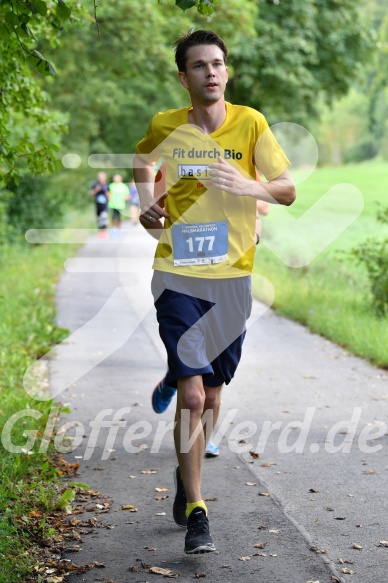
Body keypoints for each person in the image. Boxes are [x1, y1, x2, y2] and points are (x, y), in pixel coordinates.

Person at [134, 29, 295, 555]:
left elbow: (286, 189)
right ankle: (198, 511)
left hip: (233, 280)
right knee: (194, 391)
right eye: (199, 65)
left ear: (227, 72)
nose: (211, 72)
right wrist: (147, 206)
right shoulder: (166, 126)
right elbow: (141, 163)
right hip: (178, 274)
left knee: (215, 394)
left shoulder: (251, 124)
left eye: (218, 64)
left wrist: (250, 186)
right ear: (184, 77)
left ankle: (188, 473)